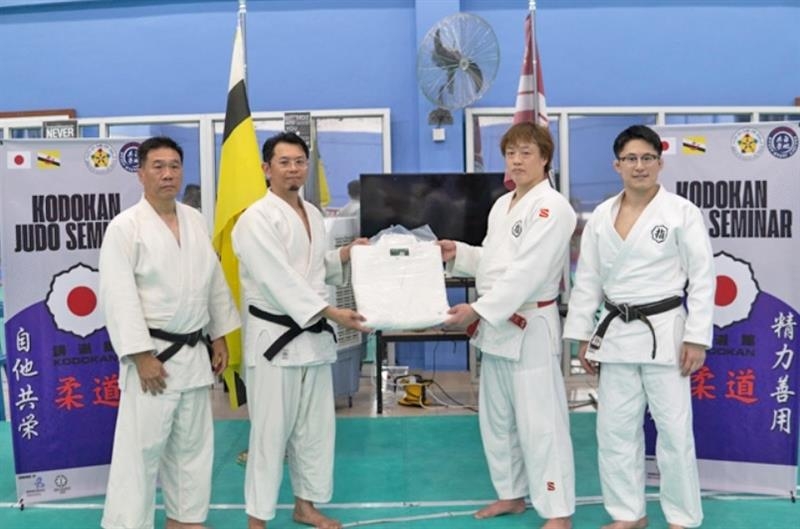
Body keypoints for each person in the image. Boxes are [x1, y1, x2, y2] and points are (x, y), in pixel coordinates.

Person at [563, 125, 715, 529]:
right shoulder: (601, 217)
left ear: (660, 163)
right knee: (614, 430)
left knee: (674, 432)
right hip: (616, 332)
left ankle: (683, 517)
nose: (639, 166)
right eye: (630, 158)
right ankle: (627, 514)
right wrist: (582, 336)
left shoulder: (681, 212)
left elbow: (703, 278)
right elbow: (588, 279)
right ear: (617, 165)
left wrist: (697, 337)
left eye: (647, 158)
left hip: (666, 331)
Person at [438, 122, 576, 529]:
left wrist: (479, 310)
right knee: (497, 419)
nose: (516, 161)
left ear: (545, 158)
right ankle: (511, 494)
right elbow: (494, 261)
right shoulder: (503, 204)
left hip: (530, 323)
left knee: (541, 423)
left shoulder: (552, 207)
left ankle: (558, 510)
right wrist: (458, 253)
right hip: (497, 325)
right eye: (511, 153)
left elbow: (527, 272)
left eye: (526, 153)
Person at [99, 136, 241, 529]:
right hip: (153, 357)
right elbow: (118, 296)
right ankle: (127, 524)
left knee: (193, 447)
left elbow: (212, 280)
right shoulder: (125, 228)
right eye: (158, 166)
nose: (167, 174)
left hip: (194, 354)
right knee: (140, 452)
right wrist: (139, 354)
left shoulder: (194, 219)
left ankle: (186, 520)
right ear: (141, 174)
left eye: (174, 166)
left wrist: (219, 334)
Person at [233, 132, 371, 529]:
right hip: (275, 342)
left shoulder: (311, 212)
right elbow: (278, 279)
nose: (293, 169)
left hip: (312, 341)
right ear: (266, 168)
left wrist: (344, 254)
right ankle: (257, 518)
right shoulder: (255, 218)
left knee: (315, 431)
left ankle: (305, 505)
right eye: (284, 162)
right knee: (269, 435)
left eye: (299, 162)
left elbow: (313, 268)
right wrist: (332, 312)